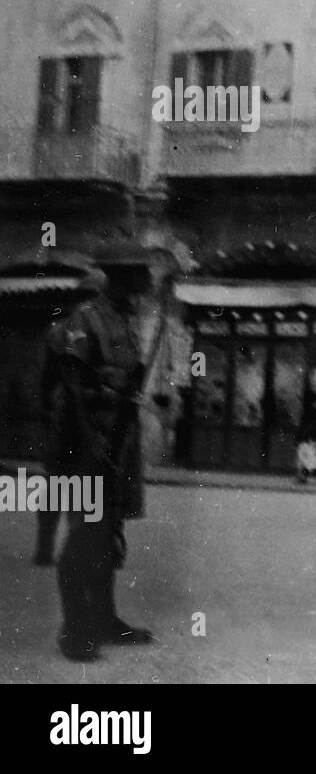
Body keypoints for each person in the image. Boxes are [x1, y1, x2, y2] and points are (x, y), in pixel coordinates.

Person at [47, 259, 152, 662]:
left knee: (107, 535)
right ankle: (74, 631)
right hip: (88, 445)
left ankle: (105, 620)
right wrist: (93, 445)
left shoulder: (127, 321)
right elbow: (74, 389)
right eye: (138, 278)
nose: (143, 286)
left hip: (118, 442)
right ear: (120, 277)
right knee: (82, 539)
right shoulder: (85, 319)